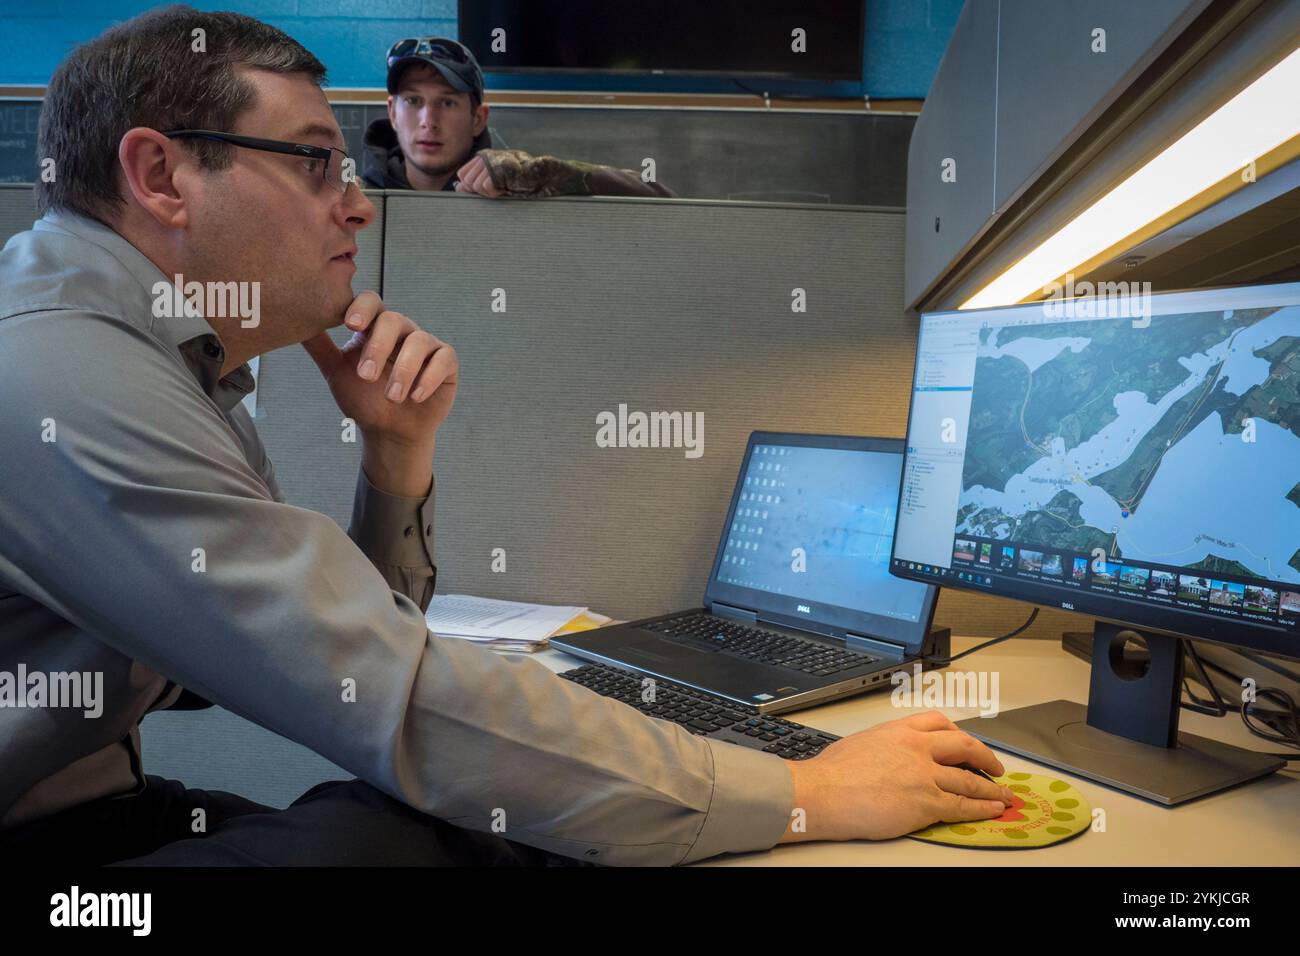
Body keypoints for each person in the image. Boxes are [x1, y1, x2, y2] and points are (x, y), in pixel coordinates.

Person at [0, 6, 1015, 867]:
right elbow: (391, 697)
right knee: (441, 831)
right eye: (315, 162)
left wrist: (394, 457)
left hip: (95, 812)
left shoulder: (159, 354)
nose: (356, 201)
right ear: (161, 176)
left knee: (457, 820)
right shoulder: (65, 370)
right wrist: (806, 791)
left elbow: (360, 653)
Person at [362, 36, 676, 199]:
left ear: (478, 119)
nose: (428, 120)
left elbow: (660, 197)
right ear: (392, 112)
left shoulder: (516, 184)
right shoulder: (359, 198)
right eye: (413, 101)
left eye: (447, 103)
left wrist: (541, 176)